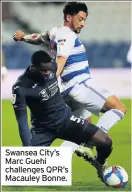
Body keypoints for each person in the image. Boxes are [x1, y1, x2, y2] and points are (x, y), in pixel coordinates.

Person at [13, 2, 126, 158]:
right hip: (79, 85)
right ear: (68, 17)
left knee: (82, 128)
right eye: (80, 19)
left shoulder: (55, 32)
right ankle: (100, 138)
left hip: (67, 91)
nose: (83, 23)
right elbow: (60, 62)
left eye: (84, 20)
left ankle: (62, 158)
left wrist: (22, 37)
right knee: (119, 108)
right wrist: (50, 83)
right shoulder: (67, 35)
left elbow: (37, 38)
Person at [11, 50, 112, 184]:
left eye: (49, 70)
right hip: (42, 130)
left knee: (106, 142)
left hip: (66, 120)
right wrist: (27, 148)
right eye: (43, 71)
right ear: (33, 67)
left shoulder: (52, 66)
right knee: (21, 176)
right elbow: (22, 121)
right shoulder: (21, 88)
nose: (48, 73)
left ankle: (99, 163)